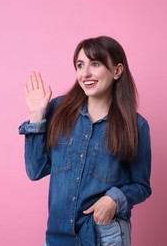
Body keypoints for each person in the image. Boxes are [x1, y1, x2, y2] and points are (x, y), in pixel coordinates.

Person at [19, 36, 152, 246]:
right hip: (58, 238)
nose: (86, 73)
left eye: (95, 64)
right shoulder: (58, 110)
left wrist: (113, 200)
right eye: (80, 65)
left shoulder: (136, 126)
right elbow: (35, 171)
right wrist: (36, 117)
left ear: (117, 71)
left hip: (105, 237)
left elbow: (141, 186)